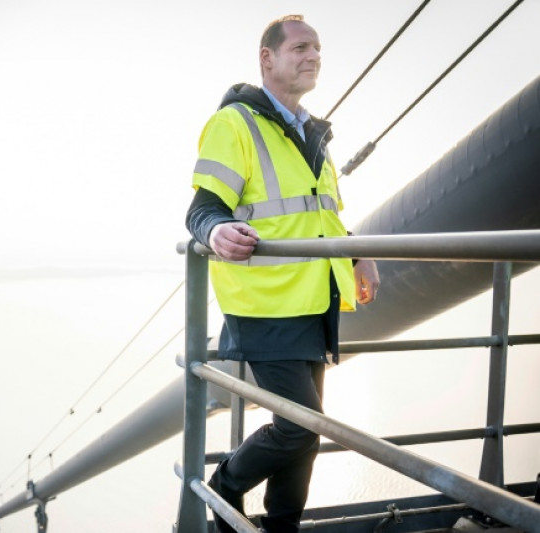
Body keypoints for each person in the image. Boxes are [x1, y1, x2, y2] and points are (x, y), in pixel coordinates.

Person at [185, 15, 380, 533]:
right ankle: (226, 484)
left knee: (305, 434)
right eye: (300, 47)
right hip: (265, 305)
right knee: (299, 429)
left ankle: (282, 526)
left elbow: (319, 215)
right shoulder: (234, 124)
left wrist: (356, 251)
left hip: (314, 301)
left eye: (317, 48)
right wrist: (216, 232)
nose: (313, 56)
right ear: (267, 59)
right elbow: (202, 210)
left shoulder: (314, 134)